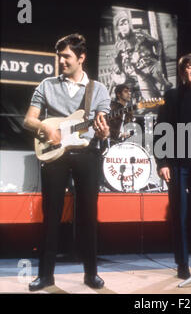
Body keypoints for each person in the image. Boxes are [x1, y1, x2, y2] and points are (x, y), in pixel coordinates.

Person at [24, 33, 110, 290]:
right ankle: (45, 275)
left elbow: (103, 127)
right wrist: (45, 128)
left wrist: (105, 131)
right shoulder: (47, 85)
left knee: (88, 216)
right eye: (59, 56)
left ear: (81, 58)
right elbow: (28, 119)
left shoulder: (99, 89)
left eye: (66, 57)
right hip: (54, 154)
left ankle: (91, 274)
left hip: (87, 154)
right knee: (50, 215)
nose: (61, 61)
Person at [155, 53, 191, 279]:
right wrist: (162, 162)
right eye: (189, 67)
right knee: (180, 213)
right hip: (177, 163)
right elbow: (161, 129)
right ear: (182, 72)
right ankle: (182, 263)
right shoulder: (171, 96)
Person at [111, 10, 173, 99]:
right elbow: (116, 60)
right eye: (121, 25)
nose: (124, 26)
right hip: (139, 72)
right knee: (149, 99)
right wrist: (118, 68)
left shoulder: (140, 34)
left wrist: (157, 57)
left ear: (129, 24)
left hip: (152, 66)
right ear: (118, 27)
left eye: (125, 23)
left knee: (166, 85)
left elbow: (157, 43)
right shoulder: (118, 44)